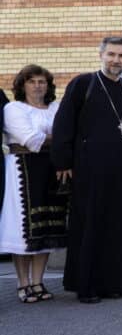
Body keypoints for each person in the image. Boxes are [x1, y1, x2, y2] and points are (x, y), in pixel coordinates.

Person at [52, 38, 122, 303]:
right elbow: (64, 122)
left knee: (117, 224)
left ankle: (112, 283)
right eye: (111, 54)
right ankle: (86, 285)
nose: (116, 60)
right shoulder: (83, 83)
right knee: (90, 223)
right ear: (101, 54)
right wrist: (63, 161)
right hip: (89, 166)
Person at [2, 65, 67, 303]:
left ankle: (38, 281)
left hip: (51, 170)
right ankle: (23, 283)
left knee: (47, 226)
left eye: (42, 82)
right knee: (24, 228)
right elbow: (31, 141)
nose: (38, 86)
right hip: (23, 170)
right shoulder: (14, 108)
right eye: (32, 82)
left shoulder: (55, 108)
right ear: (22, 85)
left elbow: (64, 135)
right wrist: (56, 139)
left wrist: (56, 140)